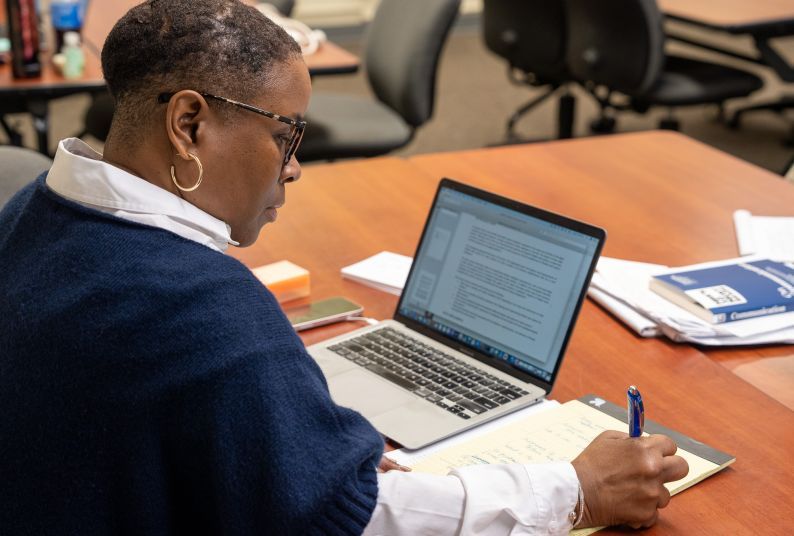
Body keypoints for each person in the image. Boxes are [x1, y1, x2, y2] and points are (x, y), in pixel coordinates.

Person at [0, 0, 688, 534]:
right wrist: (578, 490)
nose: (294, 165)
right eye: (284, 133)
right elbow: (347, 519)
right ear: (188, 124)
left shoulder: (31, 210)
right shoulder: (200, 308)